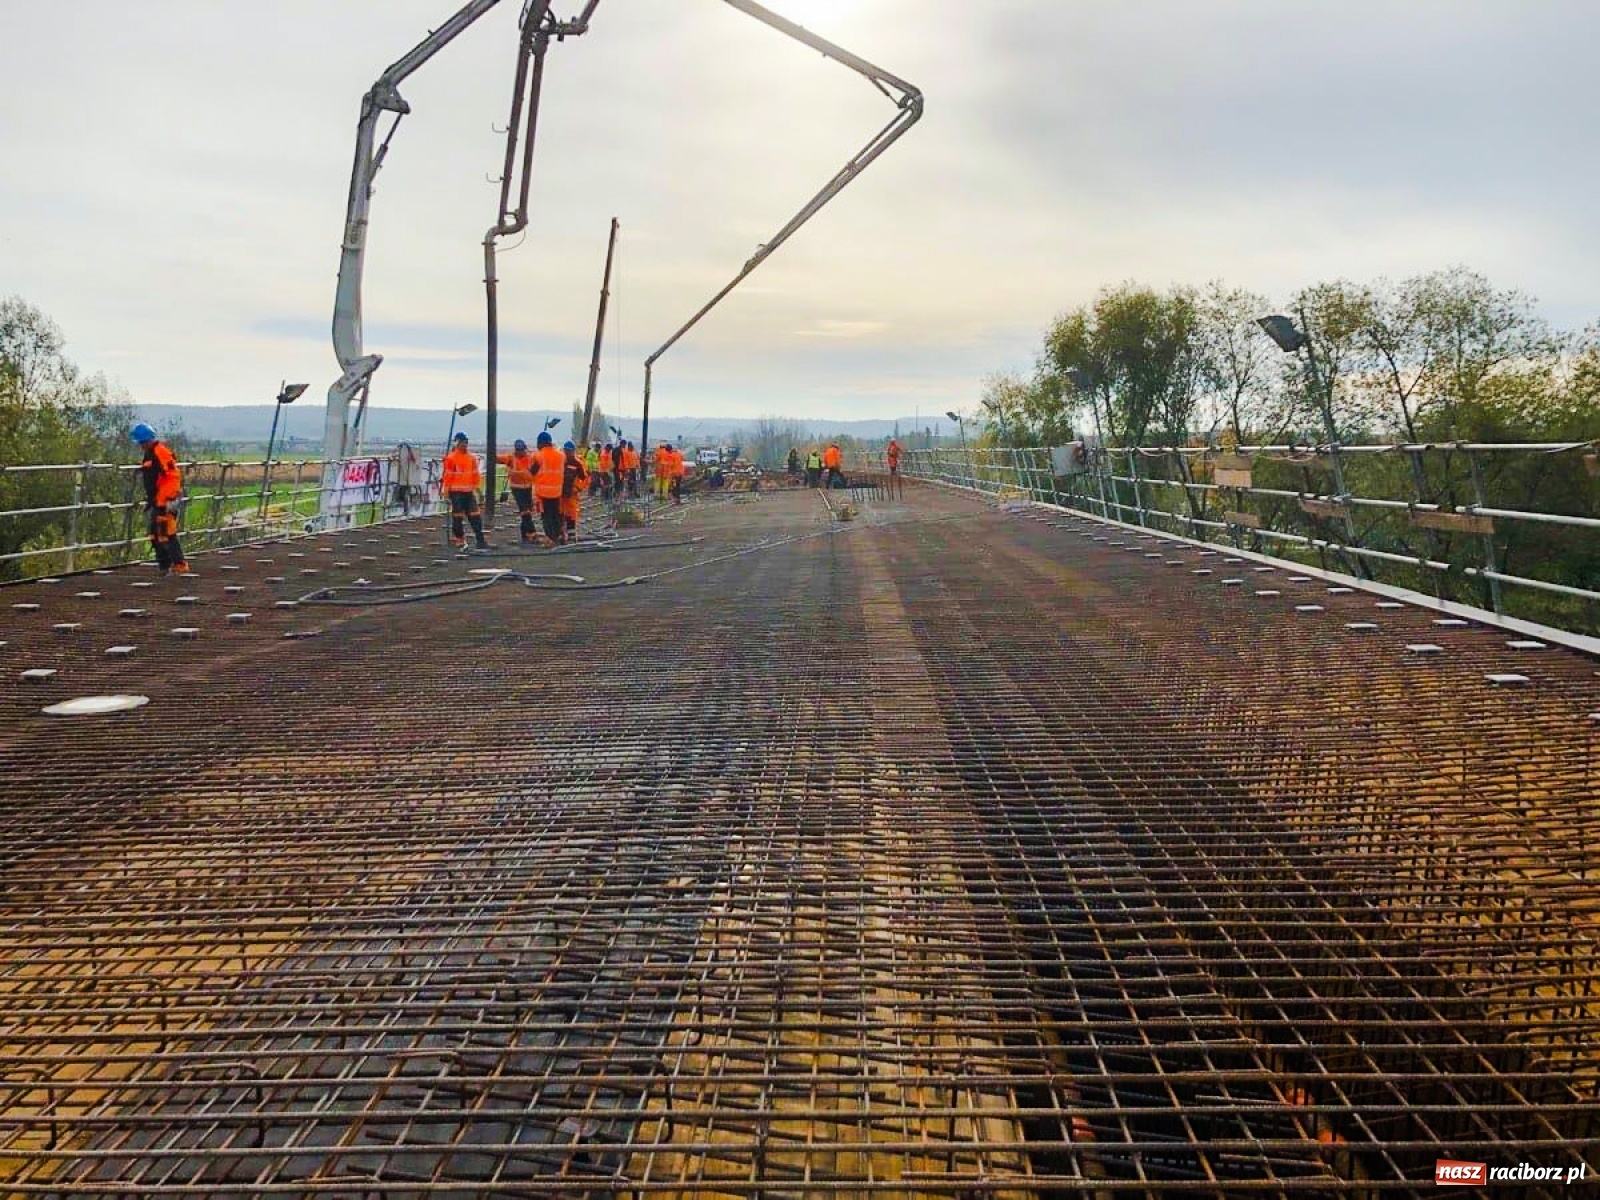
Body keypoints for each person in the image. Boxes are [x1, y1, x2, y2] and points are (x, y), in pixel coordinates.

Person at [132, 423, 189, 575]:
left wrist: (170, 498)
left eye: (142, 442)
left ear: (148, 440)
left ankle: (179, 566)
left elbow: (173, 476)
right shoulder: (149, 453)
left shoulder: (160, 452)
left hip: (165, 501)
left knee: (166, 535)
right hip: (157, 501)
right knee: (155, 535)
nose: (141, 445)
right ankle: (164, 567)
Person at [442, 432, 489, 549]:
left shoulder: (471, 458)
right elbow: (448, 477)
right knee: (457, 517)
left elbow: (475, 476)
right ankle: (460, 539)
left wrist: (479, 491)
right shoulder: (451, 458)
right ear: (457, 443)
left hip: (468, 492)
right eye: (462, 443)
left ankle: (480, 540)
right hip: (456, 492)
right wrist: (446, 493)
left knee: (475, 516)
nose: (464, 445)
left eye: (466, 443)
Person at [497, 438, 540, 543]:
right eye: (518, 450)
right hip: (517, 489)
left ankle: (525, 535)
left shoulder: (531, 458)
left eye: (522, 450)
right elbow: (498, 459)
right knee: (525, 511)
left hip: (528, 488)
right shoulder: (511, 458)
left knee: (527, 511)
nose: (520, 452)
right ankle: (531, 533)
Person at [533, 430, 566, 545]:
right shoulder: (561, 455)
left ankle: (550, 538)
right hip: (557, 491)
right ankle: (559, 536)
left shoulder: (538, 455)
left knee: (546, 516)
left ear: (541, 443)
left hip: (543, 492)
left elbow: (532, 472)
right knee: (556, 515)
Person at [560, 440, 590, 543]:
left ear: (573, 451)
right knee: (560, 513)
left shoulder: (578, 463)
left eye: (569, 451)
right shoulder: (561, 462)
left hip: (572, 494)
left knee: (571, 515)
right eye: (566, 451)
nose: (567, 453)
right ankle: (562, 535)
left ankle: (572, 535)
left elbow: (585, 478)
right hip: (561, 493)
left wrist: (578, 488)